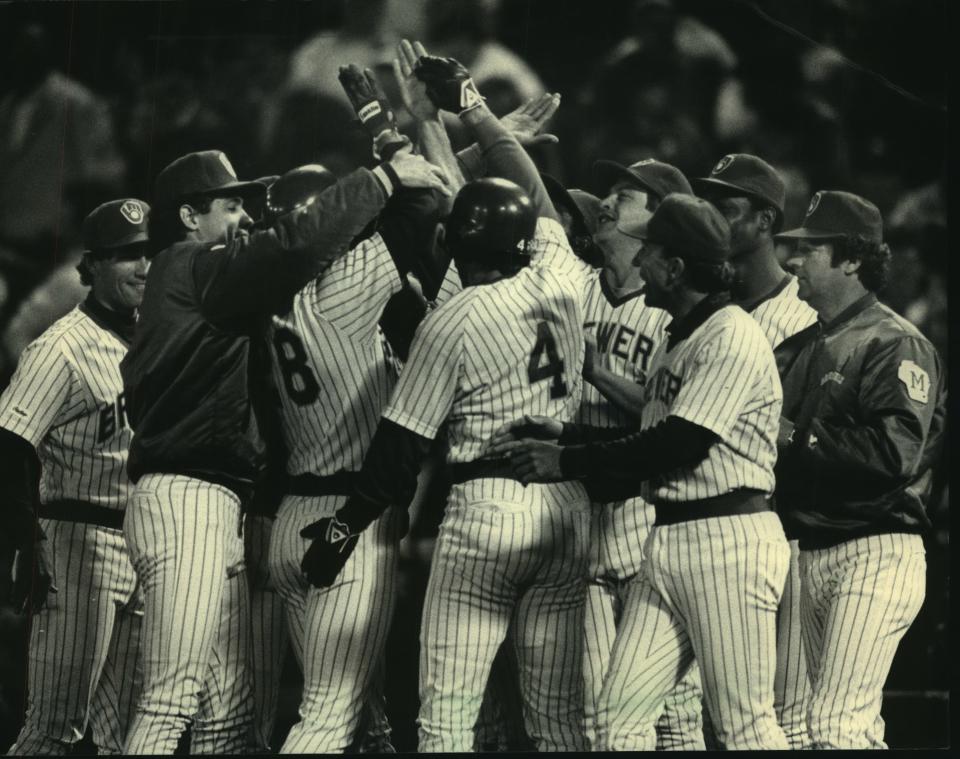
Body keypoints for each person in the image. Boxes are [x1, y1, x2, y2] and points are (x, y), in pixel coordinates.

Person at [296, 55, 594, 751]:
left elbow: (401, 446)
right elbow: (516, 196)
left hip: (485, 510)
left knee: (446, 719)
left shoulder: (454, 317)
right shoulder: (564, 275)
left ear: (456, 244)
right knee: (554, 721)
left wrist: (345, 527)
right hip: (566, 503)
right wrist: (470, 112)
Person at [118, 146, 449, 754]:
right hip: (261, 506)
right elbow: (380, 222)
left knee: (234, 715)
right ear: (190, 217)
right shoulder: (207, 269)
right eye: (229, 204)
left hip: (258, 507)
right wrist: (387, 169)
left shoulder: (257, 301)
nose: (244, 216)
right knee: (221, 705)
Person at [489, 193, 792, 750]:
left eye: (650, 248)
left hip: (728, 542)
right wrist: (569, 435)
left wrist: (568, 462)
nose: (640, 256)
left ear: (676, 268)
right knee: (616, 722)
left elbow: (678, 444)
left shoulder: (731, 334)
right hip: (672, 538)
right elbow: (647, 440)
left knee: (745, 728)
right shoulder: (681, 337)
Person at [264, 60, 449, 752]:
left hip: (291, 518)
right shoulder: (338, 289)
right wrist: (381, 125)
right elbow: (424, 203)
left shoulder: (262, 301)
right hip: (346, 523)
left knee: (365, 719)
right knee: (329, 716)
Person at [775, 190, 946, 749]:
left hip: (876, 548)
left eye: (811, 249)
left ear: (852, 258)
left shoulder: (895, 341)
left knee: (835, 726)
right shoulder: (803, 344)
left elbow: (892, 456)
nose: (793, 260)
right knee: (827, 730)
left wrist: (793, 436)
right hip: (812, 546)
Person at [0, 199, 151, 754]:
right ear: (93, 266)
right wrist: (24, 541)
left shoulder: (155, 336)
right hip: (76, 541)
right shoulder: (60, 347)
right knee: (52, 730)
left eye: (149, 253)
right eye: (126, 256)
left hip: (144, 542)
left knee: (128, 738)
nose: (143, 267)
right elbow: (10, 443)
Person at [693, 152, 817, 749]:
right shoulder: (701, 306)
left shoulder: (804, 316)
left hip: (782, 531)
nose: (713, 219)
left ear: (765, 221)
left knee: (777, 716)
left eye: (728, 208)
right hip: (698, 525)